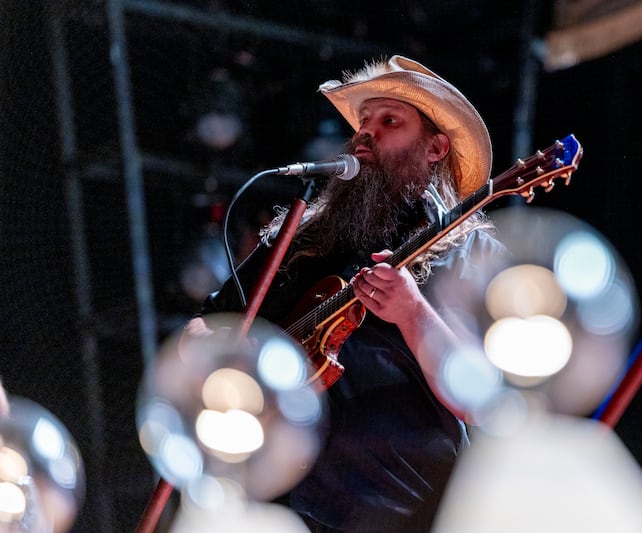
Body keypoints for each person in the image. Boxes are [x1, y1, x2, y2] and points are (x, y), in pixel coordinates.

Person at [183, 55, 506, 532]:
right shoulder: (303, 236)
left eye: (389, 121)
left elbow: (483, 400)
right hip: (277, 502)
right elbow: (208, 322)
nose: (365, 133)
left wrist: (412, 312)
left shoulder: (467, 249)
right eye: (364, 121)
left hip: (398, 507)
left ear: (435, 147)